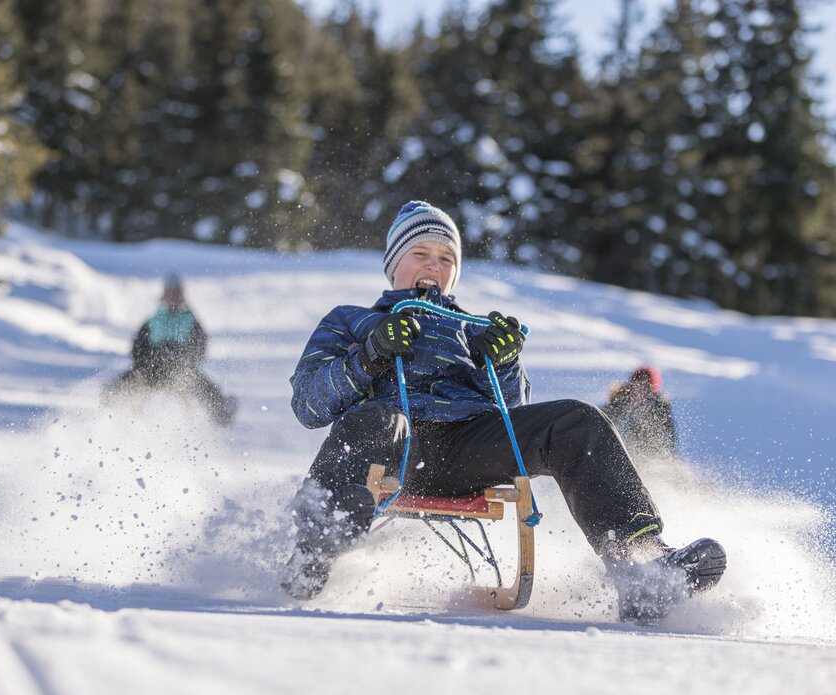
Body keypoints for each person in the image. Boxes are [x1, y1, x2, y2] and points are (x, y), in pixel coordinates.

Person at [280, 200, 726, 621]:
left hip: (465, 450)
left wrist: (504, 361)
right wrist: (371, 354)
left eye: (446, 258)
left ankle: (641, 566)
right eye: (420, 253)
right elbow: (309, 403)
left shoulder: (469, 331)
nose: (434, 265)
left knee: (576, 420)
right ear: (394, 262)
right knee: (377, 418)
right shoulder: (351, 320)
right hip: (389, 447)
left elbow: (513, 418)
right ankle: (320, 537)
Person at [104, 273, 237, 427]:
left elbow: (200, 346)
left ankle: (222, 415)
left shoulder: (190, 321)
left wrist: (187, 363)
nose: (173, 297)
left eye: (177, 293)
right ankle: (109, 417)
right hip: (150, 372)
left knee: (205, 389)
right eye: (170, 292)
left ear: (182, 295)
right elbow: (137, 346)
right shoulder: (153, 320)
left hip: (181, 372)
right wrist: (144, 363)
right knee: (121, 385)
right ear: (164, 294)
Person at [602, 365, 678, 457]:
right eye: (638, 384)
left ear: (652, 393)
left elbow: (669, 444)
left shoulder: (659, 412)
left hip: (645, 458)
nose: (641, 390)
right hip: (614, 453)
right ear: (631, 386)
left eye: (647, 387)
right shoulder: (618, 403)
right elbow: (601, 422)